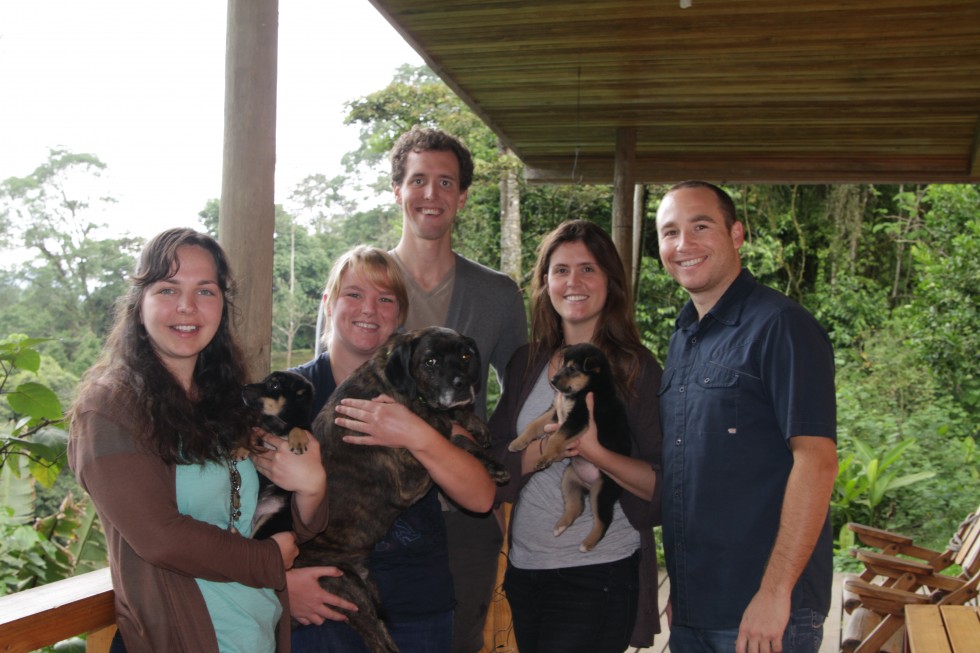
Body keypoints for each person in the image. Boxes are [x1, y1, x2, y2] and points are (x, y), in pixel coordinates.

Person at [68, 228, 329, 653]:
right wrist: (267, 561)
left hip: (258, 632)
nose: (187, 306)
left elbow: (294, 520)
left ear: (222, 306)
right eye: (168, 289)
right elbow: (160, 536)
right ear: (140, 304)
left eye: (205, 291)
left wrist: (314, 486)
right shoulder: (110, 408)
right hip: (187, 638)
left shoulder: (226, 399)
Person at [654, 181, 838, 653]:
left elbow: (816, 462)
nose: (683, 245)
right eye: (670, 232)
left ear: (736, 234)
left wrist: (775, 594)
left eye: (700, 226)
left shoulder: (780, 325)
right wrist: (684, 593)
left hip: (766, 614)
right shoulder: (683, 338)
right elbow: (693, 473)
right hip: (695, 613)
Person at [286, 245, 496, 653]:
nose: (370, 309)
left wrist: (416, 434)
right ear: (329, 302)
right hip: (323, 594)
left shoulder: (429, 390)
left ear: (400, 315)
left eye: (385, 299)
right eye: (354, 294)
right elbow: (253, 510)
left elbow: (481, 495)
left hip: (419, 598)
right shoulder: (293, 394)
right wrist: (282, 585)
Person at [489, 219, 664, 653]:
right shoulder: (525, 362)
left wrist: (593, 452)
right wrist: (543, 452)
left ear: (610, 282)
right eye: (561, 270)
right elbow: (491, 463)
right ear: (546, 282)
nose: (574, 282)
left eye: (588, 269)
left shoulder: (637, 369)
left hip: (597, 571)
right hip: (525, 570)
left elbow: (665, 485)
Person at [387, 126, 528, 653]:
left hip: (462, 517)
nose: (431, 194)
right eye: (418, 180)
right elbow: (331, 390)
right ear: (397, 190)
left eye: (445, 182)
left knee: (459, 641)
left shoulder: (495, 294)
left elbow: (518, 395)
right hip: (379, 511)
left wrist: (490, 470)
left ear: (462, 196)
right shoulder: (363, 287)